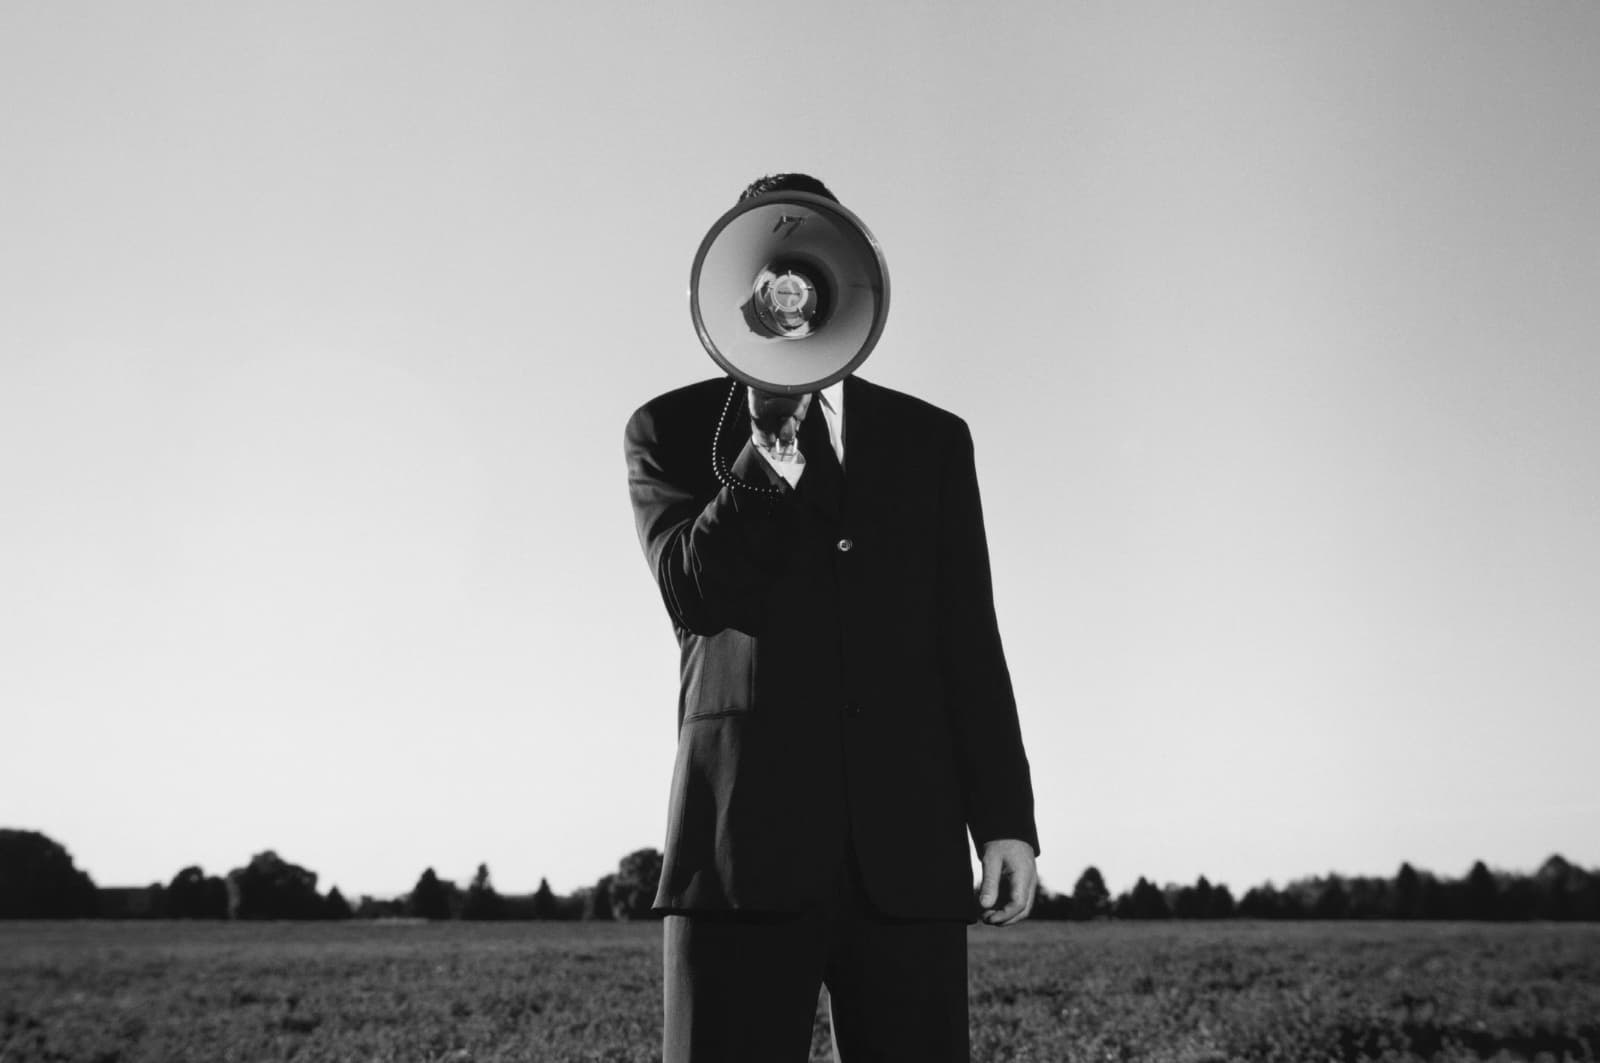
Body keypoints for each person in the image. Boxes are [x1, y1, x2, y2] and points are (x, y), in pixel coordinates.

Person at [623, 172, 1039, 1063]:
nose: (790, 296)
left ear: (843, 281)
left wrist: (1003, 813)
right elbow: (692, 592)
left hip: (907, 851)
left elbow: (968, 633)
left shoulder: (933, 440)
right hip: (737, 850)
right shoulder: (668, 427)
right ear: (740, 290)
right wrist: (765, 447)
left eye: (808, 272)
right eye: (771, 277)